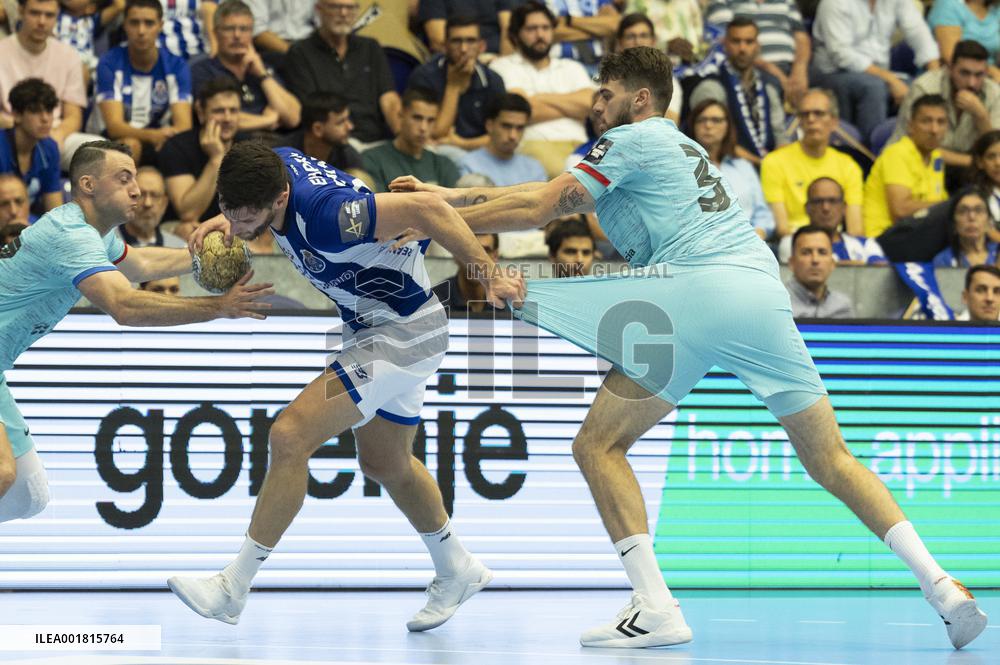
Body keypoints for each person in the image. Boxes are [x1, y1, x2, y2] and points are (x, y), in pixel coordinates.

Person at [390, 46, 988, 650]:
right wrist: (440, 198)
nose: (596, 104)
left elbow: (539, 208)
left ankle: (655, 606)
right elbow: (538, 189)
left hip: (693, 289)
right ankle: (941, 585)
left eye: (607, 93)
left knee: (597, 445)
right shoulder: (674, 147)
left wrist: (434, 219)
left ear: (640, 98)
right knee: (830, 458)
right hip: (759, 291)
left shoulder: (632, 139)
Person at [165, 141, 523, 630]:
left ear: (279, 199)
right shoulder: (271, 165)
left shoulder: (331, 217)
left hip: (402, 333)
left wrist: (490, 274)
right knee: (385, 461)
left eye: (249, 217)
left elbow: (426, 207)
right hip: (372, 327)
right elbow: (261, 170)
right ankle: (456, 567)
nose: (238, 228)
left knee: (289, 434)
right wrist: (227, 217)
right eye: (230, 209)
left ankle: (232, 588)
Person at [0, 140, 272, 525]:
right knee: (3, 474)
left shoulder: (97, 234)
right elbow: (124, 305)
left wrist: (202, 251)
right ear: (88, 184)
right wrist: (217, 308)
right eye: (123, 178)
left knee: (28, 496)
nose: (137, 189)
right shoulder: (71, 235)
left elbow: (141, 262)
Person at [489, 2, 596, 177]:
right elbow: (520, 112)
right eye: (531, 29)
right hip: (535, 146)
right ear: (516, 35)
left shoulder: (572, 67)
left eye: (545, 28)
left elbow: (590, 106)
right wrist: (571, 107)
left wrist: (539, 98)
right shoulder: (502, 66)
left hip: (581, 145)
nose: (540, 34)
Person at [811, 0, 941, 144]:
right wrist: (890, 79)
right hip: (834, 72)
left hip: (879, 72)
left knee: (918, 87)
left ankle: (916, 152)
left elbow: (919, 33)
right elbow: (841, 54)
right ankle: (870, 154)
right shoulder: (834, 3)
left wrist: (934, 77)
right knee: (874, 88)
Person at [283, 0, 401, 144]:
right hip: (330, 144)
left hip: (375, 141)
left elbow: (389, 98)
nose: (344, 13)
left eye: (350, 8)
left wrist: (402, 135)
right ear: (319, 9)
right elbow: (312, 111)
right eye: (336, 7)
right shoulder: (300, 53)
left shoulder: (370, 48)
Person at [95, 0, 194, 166]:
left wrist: (161, 138)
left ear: (160, 25)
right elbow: (114, 127)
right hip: (114, 140)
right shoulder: (109, 63)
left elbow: (184, 125)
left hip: (160, 140)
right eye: (134, 23)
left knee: (178, 147)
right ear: (124, 25)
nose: (141, 31)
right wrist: (154, 136)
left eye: (149, 23)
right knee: (130, 146)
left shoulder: (176, 66)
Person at [0, 0, 94, 169]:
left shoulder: (69, 55)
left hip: (54, 134)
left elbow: (73, 116)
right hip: (9, 133)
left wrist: (58, 134)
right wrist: (24, 127)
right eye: (35, 13)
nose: (42, 21)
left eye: (49, 15)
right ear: (21, 11)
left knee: (101, 153)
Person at [761, 88, 864, 241]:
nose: (811, 119)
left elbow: (855, 229)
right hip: (793, 242)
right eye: (804, 114)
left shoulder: (849, 166)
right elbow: (782, 228)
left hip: (836, 242)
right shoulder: (774, 162)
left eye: (819, 113)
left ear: (834, 122)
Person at [687, 17, 786, 164]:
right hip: (724, 168)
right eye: (736, 41)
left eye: (749, 42)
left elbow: (780, 136)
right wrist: (760, 163)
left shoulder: (769, 85)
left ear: (758, 46)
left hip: (771, 169)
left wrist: (778, 166)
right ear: (724, 44)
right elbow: (709, 140)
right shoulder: (711, 86)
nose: (742, 49)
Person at [191, 0, 301, 132]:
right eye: (229, 29)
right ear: (215, 33)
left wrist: (262, 75)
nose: (237, 35)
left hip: (277, 145)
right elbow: (217, 120)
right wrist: (269, 120)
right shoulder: (201, 70)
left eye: (244, 29)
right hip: (233, 146)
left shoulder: (262, 67)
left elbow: (293, 117)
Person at [890, 40, 1000, 170]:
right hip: (917, 163)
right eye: (964, 73)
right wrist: (973, 162)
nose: (971, 83)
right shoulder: (925, 87)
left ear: (986, 72)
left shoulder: (994, 93)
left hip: (968, 170)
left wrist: (981, 116)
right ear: (950, 68)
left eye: (979, 75)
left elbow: (996, 151)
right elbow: (916, 145)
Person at [407, 16, 506, 152]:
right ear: (445, 46)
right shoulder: (424, 76)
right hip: (435, 150)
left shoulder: (494, 80)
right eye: (456, 41)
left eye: (470, 41)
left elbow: (504, 134)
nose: (464, 49)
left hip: (481, 152)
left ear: (481, 46)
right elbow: (433, 133)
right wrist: (453, 86)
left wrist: (461, 143)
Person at [158, 77, 244, 230]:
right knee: (184, 229)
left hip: (231, 226)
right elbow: (188, 212)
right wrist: (216, 158)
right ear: (200, 111)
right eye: (219, 111)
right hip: (183, 227)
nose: (227, 118)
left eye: (233, 110)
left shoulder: (248, 147)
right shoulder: (177, 147)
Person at [686, 99, 774, 240]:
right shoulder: (683, 167)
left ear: (728, 126)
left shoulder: (743, 167)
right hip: (704, 245)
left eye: (716, 120)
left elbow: (762, 214)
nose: (708, 125)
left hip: (749, 243)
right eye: (701, 120)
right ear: (692, 126)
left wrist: (758, 236)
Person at [864, 94, 950, 237]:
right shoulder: (897, 154)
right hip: (885, 238)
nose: (934, 130)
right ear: (911, 126)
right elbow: (900, 210)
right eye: (926, 121)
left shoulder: (936, 157)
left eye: (941, 122)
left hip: (916, 234)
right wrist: (947, 207)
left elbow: (938, 199)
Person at [703, 0, 811, 106]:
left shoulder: (787, 2)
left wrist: (800, 71)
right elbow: (728, 43)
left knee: (824, 83)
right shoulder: (722, 2)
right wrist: (774, 71)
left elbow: (801, 38)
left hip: (793, 66)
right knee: (771, 86)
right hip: (753, 67)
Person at [361, 87, 459, 193]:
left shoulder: (444, 165)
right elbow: (376, 205)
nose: (423, 128)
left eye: (430, 120)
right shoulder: (372, 159)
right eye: (417, 118)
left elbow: (458, 206)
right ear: (401, 115)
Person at [0, 78, 63, 213]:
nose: (45, 118)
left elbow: (55, 209)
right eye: (35, 111)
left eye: (49, 110)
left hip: (29, 222)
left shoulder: (50, 148)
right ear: (16, 115)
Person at [458, 93, 546, 186]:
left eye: (519, 128)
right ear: (489, 125)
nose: (513, 136)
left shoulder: (534, 168)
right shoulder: (469, 164)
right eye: (506, 126)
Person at [613, 13, 681, 123]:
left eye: (643, 36)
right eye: (631, 36)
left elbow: (671, 122)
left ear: (653, 41)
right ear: (619, 43)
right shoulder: (608, 77)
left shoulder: (667, 79)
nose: (637, 42)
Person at [803, 177, 886, 265]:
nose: (826, 208)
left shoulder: (865, 245)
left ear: (844, 208)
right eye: (818, 201)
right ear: (807, 208)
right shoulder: (790, 244)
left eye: (833, 201)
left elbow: (880, 270)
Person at [279, 93, 363, 171]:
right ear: (317, 129)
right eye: (340, 122)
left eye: (348, 119)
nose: (350, 127)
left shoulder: (348, 156)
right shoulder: (283, 154)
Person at [785, 225, 855, 318]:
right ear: (791, 263)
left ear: (832, 263)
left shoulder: (843, 307)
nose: (815, 260)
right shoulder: (777, 303)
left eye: (822, 252)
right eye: (806, 252)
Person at [431, 232, 506, 312]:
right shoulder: (433, 302)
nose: (476, 262)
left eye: (485, 251)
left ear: (495, 256)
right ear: (455, 254)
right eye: (469, 251)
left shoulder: (508, 301)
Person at [928, 0, 1000, 80]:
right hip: (961, 77)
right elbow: (951, 57)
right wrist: (992, 72)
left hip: (990, 76)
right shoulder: (947, 5)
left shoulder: (995, 8)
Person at [118, 166, 185, 247]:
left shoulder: (179, 248)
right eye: (141, 195)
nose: (147, 203)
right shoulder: (105, 244)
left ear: (164, 204)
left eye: (155, 196)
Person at [933, 188, 999, 266]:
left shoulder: (998, 252)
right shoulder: (943, 260)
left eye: (978, 210)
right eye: (963, 211)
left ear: (989, 222)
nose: (971, 217)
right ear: (954, 224)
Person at [55, 0, 125, 73]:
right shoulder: (53, 15)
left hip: (85, 65)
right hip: (59, 63)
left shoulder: (92, 21)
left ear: (90, 8)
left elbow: (119, 6)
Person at [419, 0, 511, 55]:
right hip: (454, 59)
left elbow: (509, 30)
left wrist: (501, 63)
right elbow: (438, 41)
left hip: (498, 59)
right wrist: (475, 60)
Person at [972, 129, 1000, 241]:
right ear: (980, 162)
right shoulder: (975, 195)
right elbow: (987, 232)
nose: (998, 163)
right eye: (991, 157)